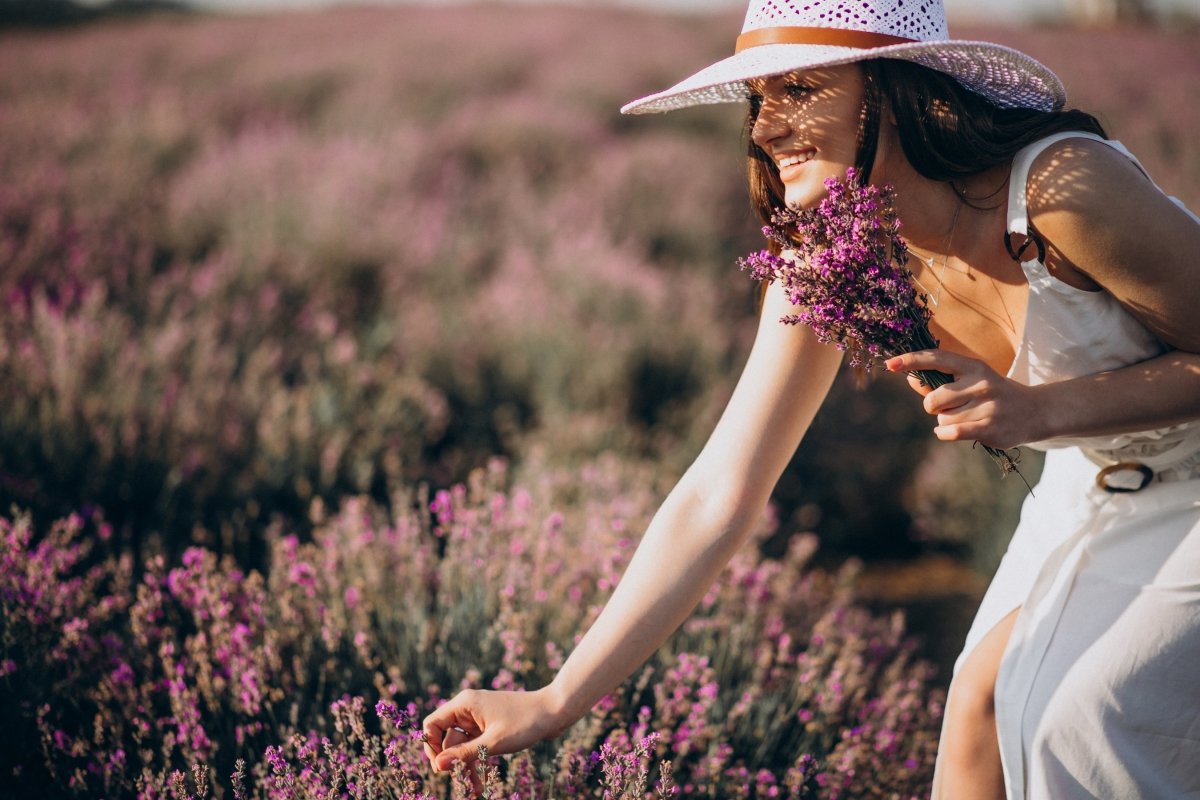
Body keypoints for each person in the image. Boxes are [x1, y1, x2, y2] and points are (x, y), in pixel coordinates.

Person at [423, 0, 1200, 796]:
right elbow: (720, 492)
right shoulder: (834, 262)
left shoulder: (1062, 191)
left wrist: (1044, 412)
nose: (763, 129)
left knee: (1082, 723)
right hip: (1093, 483)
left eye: (797, 88)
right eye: (760, 99)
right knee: (977, 715)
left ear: (892, 88)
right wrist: (556, 699)